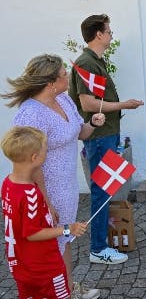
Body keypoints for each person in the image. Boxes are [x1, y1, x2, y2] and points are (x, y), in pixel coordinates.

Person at [1, 54, 103, 299]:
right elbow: (29, 162)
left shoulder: (64, 100)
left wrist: (94, 123)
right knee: (53, 244)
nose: (68, 76)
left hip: (67, 185)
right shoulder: (30, 114)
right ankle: (59, 292)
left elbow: (81, 133)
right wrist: (45, 201)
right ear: (50, 83)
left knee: (63, 241)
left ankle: (65, 288)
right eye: (64, 75)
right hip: (46, 189)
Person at [68, 14, 144, 265]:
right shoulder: (86, 63)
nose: (111, 35)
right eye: (109, 31)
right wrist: (125, 105)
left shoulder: (95, 60)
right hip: (100, 137)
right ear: (98, 35)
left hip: (106, 134)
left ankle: (102, 243)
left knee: (106, 190)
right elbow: (88, 103)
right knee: (101, 191)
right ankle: (98, 249)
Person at [1, 126, 88, 299]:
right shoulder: (29, 194)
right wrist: (68, 229)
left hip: (21, 265)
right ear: (34, 158)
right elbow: (32, 233)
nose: (46, 154)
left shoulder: (7, 184)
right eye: (45, 151)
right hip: (44, 267)